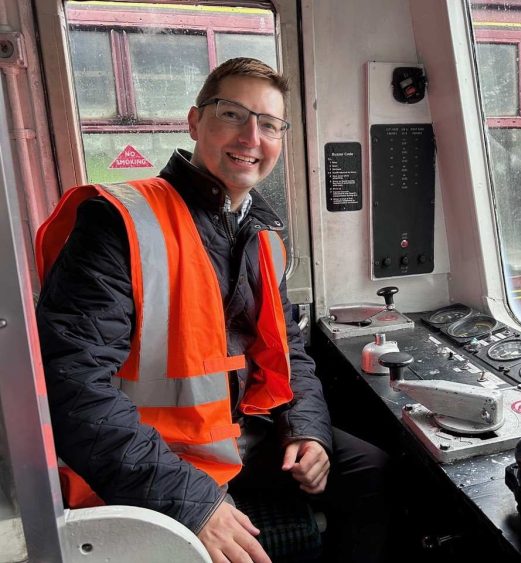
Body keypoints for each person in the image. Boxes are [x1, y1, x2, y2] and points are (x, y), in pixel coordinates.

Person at [35, 57, 388, 563]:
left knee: (368, 468)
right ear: (195, 122)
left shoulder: (264, 236)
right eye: (231, 114)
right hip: (152, 453)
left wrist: (307, 430)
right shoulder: (116, 223)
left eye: (269, 124)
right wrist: (193, 503)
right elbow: (72, 386)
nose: (251, 136)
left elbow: (289, 350)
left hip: (237, 434)